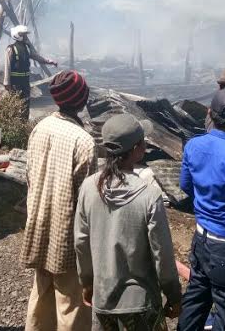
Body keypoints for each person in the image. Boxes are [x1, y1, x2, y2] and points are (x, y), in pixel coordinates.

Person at [75, 113, 182, 330]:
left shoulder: (88, 188)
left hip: (103, 299)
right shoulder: (149, 195)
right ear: (136, 150)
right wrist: (174, 295)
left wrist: (87, 283)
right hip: (141, 303)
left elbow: (81, 243)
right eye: (143, 141)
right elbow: (162, 254)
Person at [21, 70, 97, 331]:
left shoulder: (40, 128)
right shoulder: (84, 142)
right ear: (82, 100)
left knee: (41, 295)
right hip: (67, 237)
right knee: (72, 305)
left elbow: (30, 178)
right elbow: (86, 203)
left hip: (39, 224)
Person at [178, 88, 225, 331]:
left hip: (201, 237)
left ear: (209, 113)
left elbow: (186, 185)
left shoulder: (194, 145)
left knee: (196, 299)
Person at [4, 24, 57, 119]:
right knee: (16, 104)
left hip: (25, 81)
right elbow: (7, 66)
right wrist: (7, 82)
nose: (26, 37)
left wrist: (48, 61)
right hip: (15, 83)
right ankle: (15, 125)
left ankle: (24, 124)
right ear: (17, 35)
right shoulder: (11, 48)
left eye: (25, 35)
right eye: (23, 35)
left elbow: (36, 56)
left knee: (25, 104)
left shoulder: (27, 48)